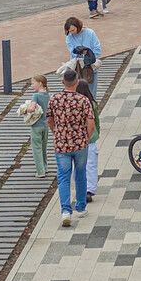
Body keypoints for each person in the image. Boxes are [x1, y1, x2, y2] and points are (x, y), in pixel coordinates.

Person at [47, 75, 96, 228]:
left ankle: (65, 211)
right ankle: (80, 207)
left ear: (63, 82)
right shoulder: (83, 100)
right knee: (80, 174)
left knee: (63, 178)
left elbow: (49, 119)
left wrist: (57, 132)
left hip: (61, 144)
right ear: (76, 83)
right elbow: (91, 122)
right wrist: (86, 138)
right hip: (80, 143)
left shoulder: (54, 99)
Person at [18, 74, 53, 177]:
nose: (32, 85)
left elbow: (32, 108)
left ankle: (40, 171)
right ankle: (45, 167)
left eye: (33, 83)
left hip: (36, 125)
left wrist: (25, 109)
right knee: (43, 147)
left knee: (36, 148)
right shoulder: (47, 95)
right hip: (45, 125)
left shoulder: (36, 96)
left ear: (40, 83)